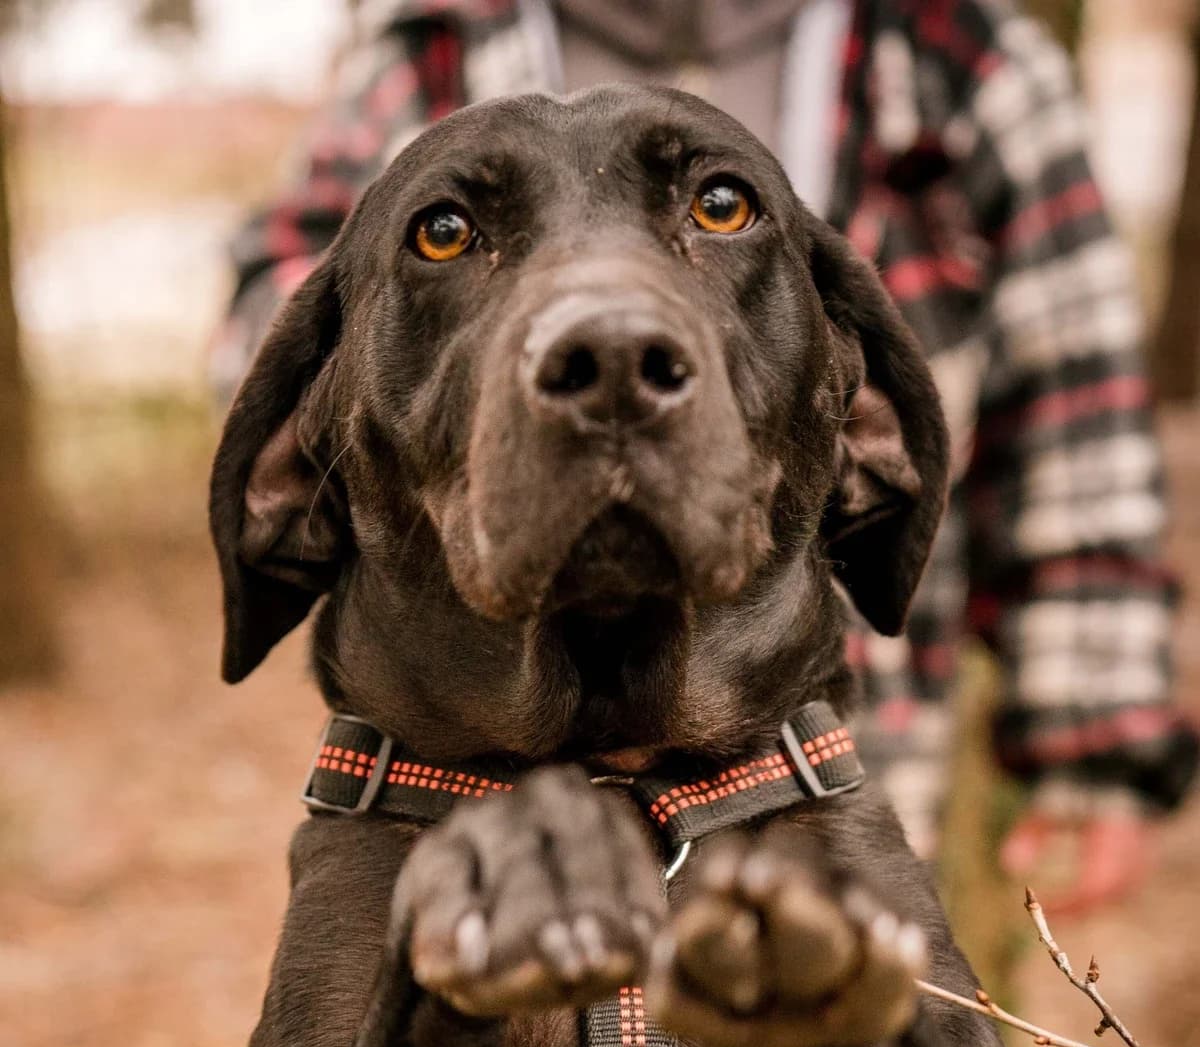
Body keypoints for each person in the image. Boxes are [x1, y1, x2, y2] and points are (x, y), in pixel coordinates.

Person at [212, 0, 1198, 915]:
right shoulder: (433, 42)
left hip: (856, 746)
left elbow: (1075, 395)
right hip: (466, 811)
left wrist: (1092, 733)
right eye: (448, 232)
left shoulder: (959, 57)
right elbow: (294, 294)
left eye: (720, 209)